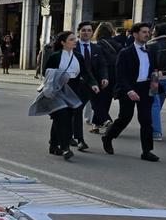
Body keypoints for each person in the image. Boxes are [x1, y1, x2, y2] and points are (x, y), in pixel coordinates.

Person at [102, 22, 160, 161]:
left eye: (148, 32)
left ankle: (147, 151)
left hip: (145, 89)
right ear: (135, 34)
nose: (147, 34)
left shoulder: (151, 51)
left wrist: (154, 88)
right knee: (125, 118)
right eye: (144, 32)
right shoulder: (125, 52)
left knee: (146, 121)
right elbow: (120, 75)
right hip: (128, 88)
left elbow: (155, 71)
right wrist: (129, 91)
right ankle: (108, 137)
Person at [33, 32, 86, 160]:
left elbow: (85, 72)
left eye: (75, 39)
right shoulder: (55, 56)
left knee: (64, 117)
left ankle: (53, 144)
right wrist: (60, 77)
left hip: (73, 91)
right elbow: (47, 73)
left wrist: (94, 84)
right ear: (63, 42)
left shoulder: (78, 56)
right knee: (62, 117)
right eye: (71, 39)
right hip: (57, 90)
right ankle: (65, 148)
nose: (75, 41)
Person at [71, 21, 108, 150]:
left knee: (96, 104)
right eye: (83, 30)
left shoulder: (97, 48)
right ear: (79, 32)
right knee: (77, 111)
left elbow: (102, 64)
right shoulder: (73, 47)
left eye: (89, 30)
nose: (86, 33)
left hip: (93, 85)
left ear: (92, 33)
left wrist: (104, 77)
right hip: (76, 84)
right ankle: (79, 139)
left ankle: (105, 121)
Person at [146, 23, 166, 142]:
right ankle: (152, 125)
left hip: (155, 76)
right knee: (159, 104)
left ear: (157, 31)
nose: (152, 31)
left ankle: (156, 132)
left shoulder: (151, 44)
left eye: (154, 29)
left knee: (154, 104)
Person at [89, 22, 118, 133]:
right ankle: (97, 124)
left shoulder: (98, 45)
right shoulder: (116, 44)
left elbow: (97, 62)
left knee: (95, 100)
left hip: (100, 75)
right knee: (105, 100)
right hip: (113, 75)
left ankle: (106, 120)